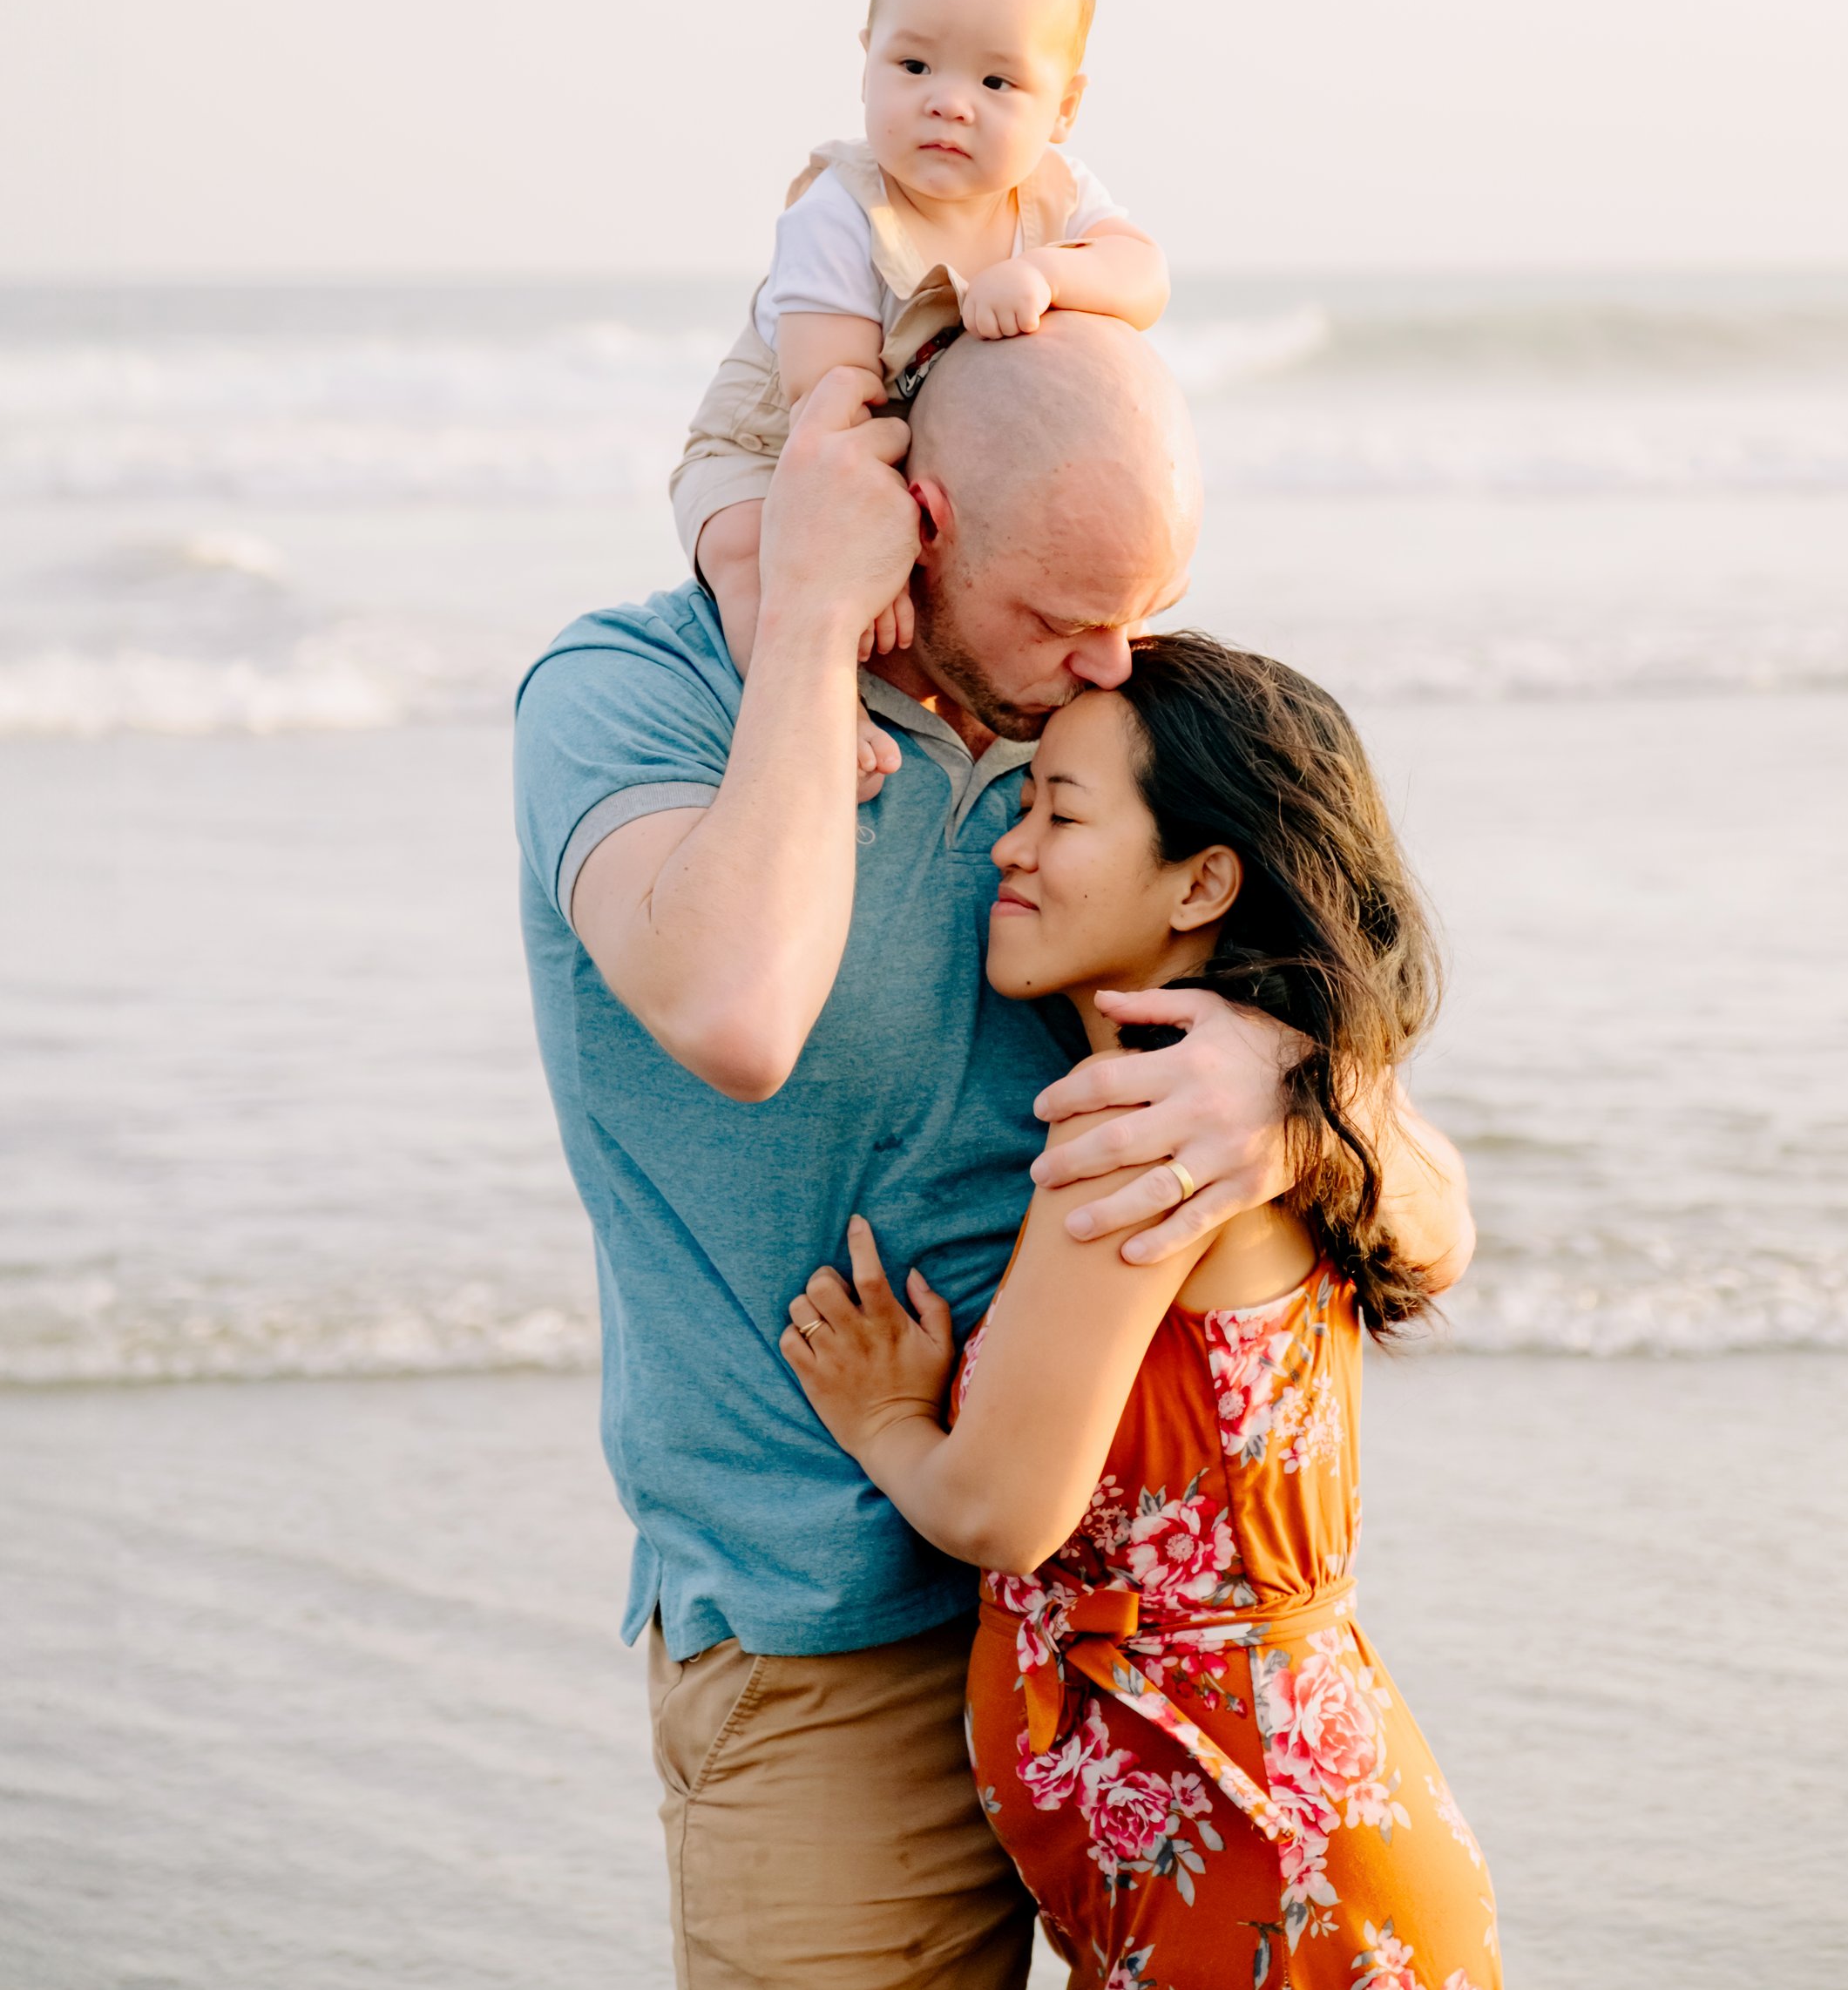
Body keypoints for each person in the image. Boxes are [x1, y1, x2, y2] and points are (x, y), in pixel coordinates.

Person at [515, 316, 1473, 1987]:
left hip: (1149, 1716)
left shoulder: (1095, 734)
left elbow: (1439, 1219)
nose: (1109, 659)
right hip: (838, 1644)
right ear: (923, 520)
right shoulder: (634, 702)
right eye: (1063, 614)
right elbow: (737, 1007)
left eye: (1138, 611)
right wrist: (808, 609)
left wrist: (1299, 1093)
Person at [781, 636, 1500, 1990]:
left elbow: (1002, 1509)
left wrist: (884, 1418)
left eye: (1060, 811)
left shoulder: (1153, 1129)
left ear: (1202, 880)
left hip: (1257, 1862)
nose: (1010, 847)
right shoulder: (1258, 1102)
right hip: (1283, 1834)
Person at [669, 0, 1170, 742]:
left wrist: (1047, 270)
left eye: (995, 80)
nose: (948, 101)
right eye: (913, 66)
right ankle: (811, 713)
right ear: (866, 63)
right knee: (748, 561)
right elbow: (829, 398)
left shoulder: (1058, 195)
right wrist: (873, 556)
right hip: (784, 447)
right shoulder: (840, 212)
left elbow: (1144, 277)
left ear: (1064, 107)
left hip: (936, 460)